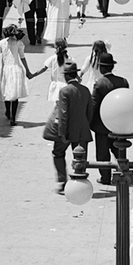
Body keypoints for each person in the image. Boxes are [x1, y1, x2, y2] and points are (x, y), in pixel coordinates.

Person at [46, 61, 92, 194]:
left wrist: (62, 133)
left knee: (58, 153)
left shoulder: (65, 91)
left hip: (67, 130)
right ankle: (81, 184)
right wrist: (84, 124)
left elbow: (63, 114)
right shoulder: (85, 90)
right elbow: (90, 112)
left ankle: (62, 181)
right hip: (82, 129)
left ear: (66, 76)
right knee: (80, 158)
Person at [0, 24, 38, 125]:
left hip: (4, 70)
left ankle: (7, 112)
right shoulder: (19, 43)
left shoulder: (1, 43)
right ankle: (13, 118)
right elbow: (22, 58)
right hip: (15, 69)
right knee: (14, 95)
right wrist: (27, 70)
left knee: (6, 92)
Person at [88, 50, 128, 183]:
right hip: (118, 124)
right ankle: (123, 172)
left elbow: (94, 105)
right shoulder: (123, 81)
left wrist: (88, 121)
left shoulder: (100, 84)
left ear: (101, 67)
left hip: (102, 125)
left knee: (103, 153)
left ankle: (105, 177)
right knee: (118, 150)